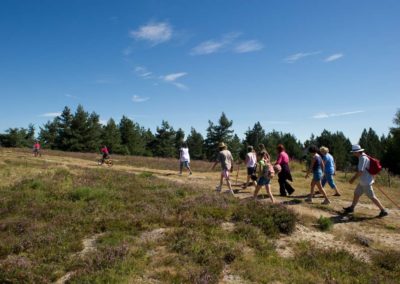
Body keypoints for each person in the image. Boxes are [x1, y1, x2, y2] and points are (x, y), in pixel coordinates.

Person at [343, 145, 388, 217]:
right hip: (363, 181)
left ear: (357, 152)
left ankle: (383, 210)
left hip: (365, 182)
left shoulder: (362, 158)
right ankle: (352, 208)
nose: (353, 154)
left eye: (354, 152)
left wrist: (352, 179)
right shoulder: (364, 157)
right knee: (356, 193)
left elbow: (360, 171)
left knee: (372, 197)